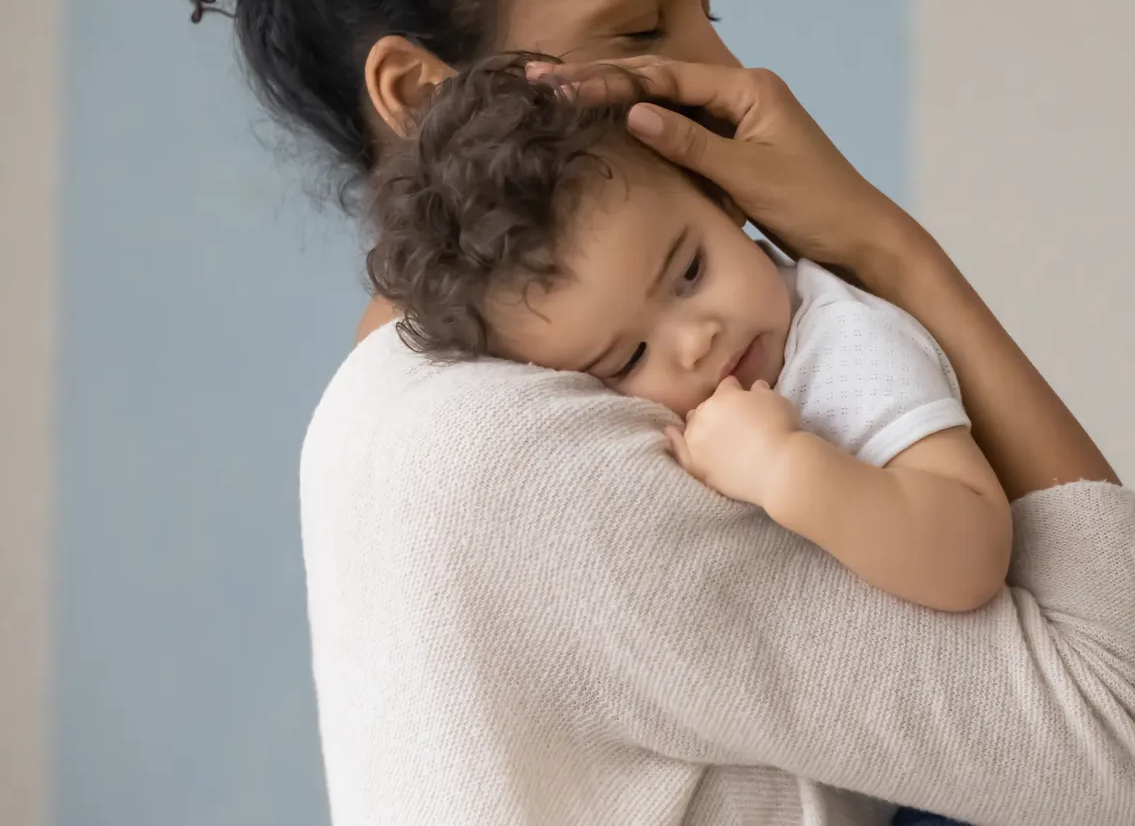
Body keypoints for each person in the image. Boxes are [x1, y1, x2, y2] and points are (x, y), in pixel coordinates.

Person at [85, 0, 1135, 825]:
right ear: (423, 95)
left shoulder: (421, 408)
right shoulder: (526, 462)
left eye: (708, 7)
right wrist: (886, 248)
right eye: (642, 26)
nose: (736, 77)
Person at [365, 57, 1014, 618]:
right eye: (630, 358)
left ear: (722, 199)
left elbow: (974, 553)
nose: (696, 341)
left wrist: (784, 469)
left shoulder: (844, 346)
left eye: (690, 272)